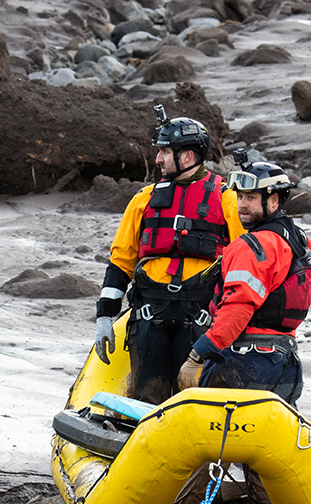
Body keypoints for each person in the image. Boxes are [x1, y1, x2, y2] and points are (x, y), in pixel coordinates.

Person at [175, 153, 311, 504]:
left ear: (274, 201)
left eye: (252, 199)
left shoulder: (251, 245)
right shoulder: (303, 242)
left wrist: (196, 354)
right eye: (239, 197)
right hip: (285, 362)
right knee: (266, 462)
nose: (241, 206)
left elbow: (237, 310)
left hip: (244, 362)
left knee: (200, 450)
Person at [93, 105, 242, 404]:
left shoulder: (228, 198)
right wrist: (104, 317)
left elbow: (244, 262)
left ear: (187, 156)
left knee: (195, 401)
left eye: (164, 152)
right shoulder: (143, 199)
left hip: (200, 319)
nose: (158, 159)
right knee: (147, 400)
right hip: (150, 318)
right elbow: (121, 262)